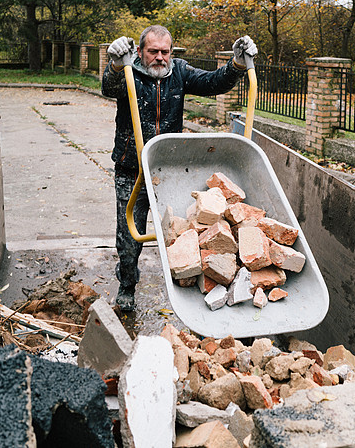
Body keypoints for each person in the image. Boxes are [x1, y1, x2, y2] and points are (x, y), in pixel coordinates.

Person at [101, 25, 258, 310]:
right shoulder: (128, 72)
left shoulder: (179, 72)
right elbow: (108, 88)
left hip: (167, 170)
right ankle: (127, 285)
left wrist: (236, 63)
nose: (160, 57)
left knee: (179, 232)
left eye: (165, 52)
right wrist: (114, 63)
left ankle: (186, 290)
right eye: (153, 51)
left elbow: (214, 83)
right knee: (128, 236)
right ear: (140, 52)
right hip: (131, 169)